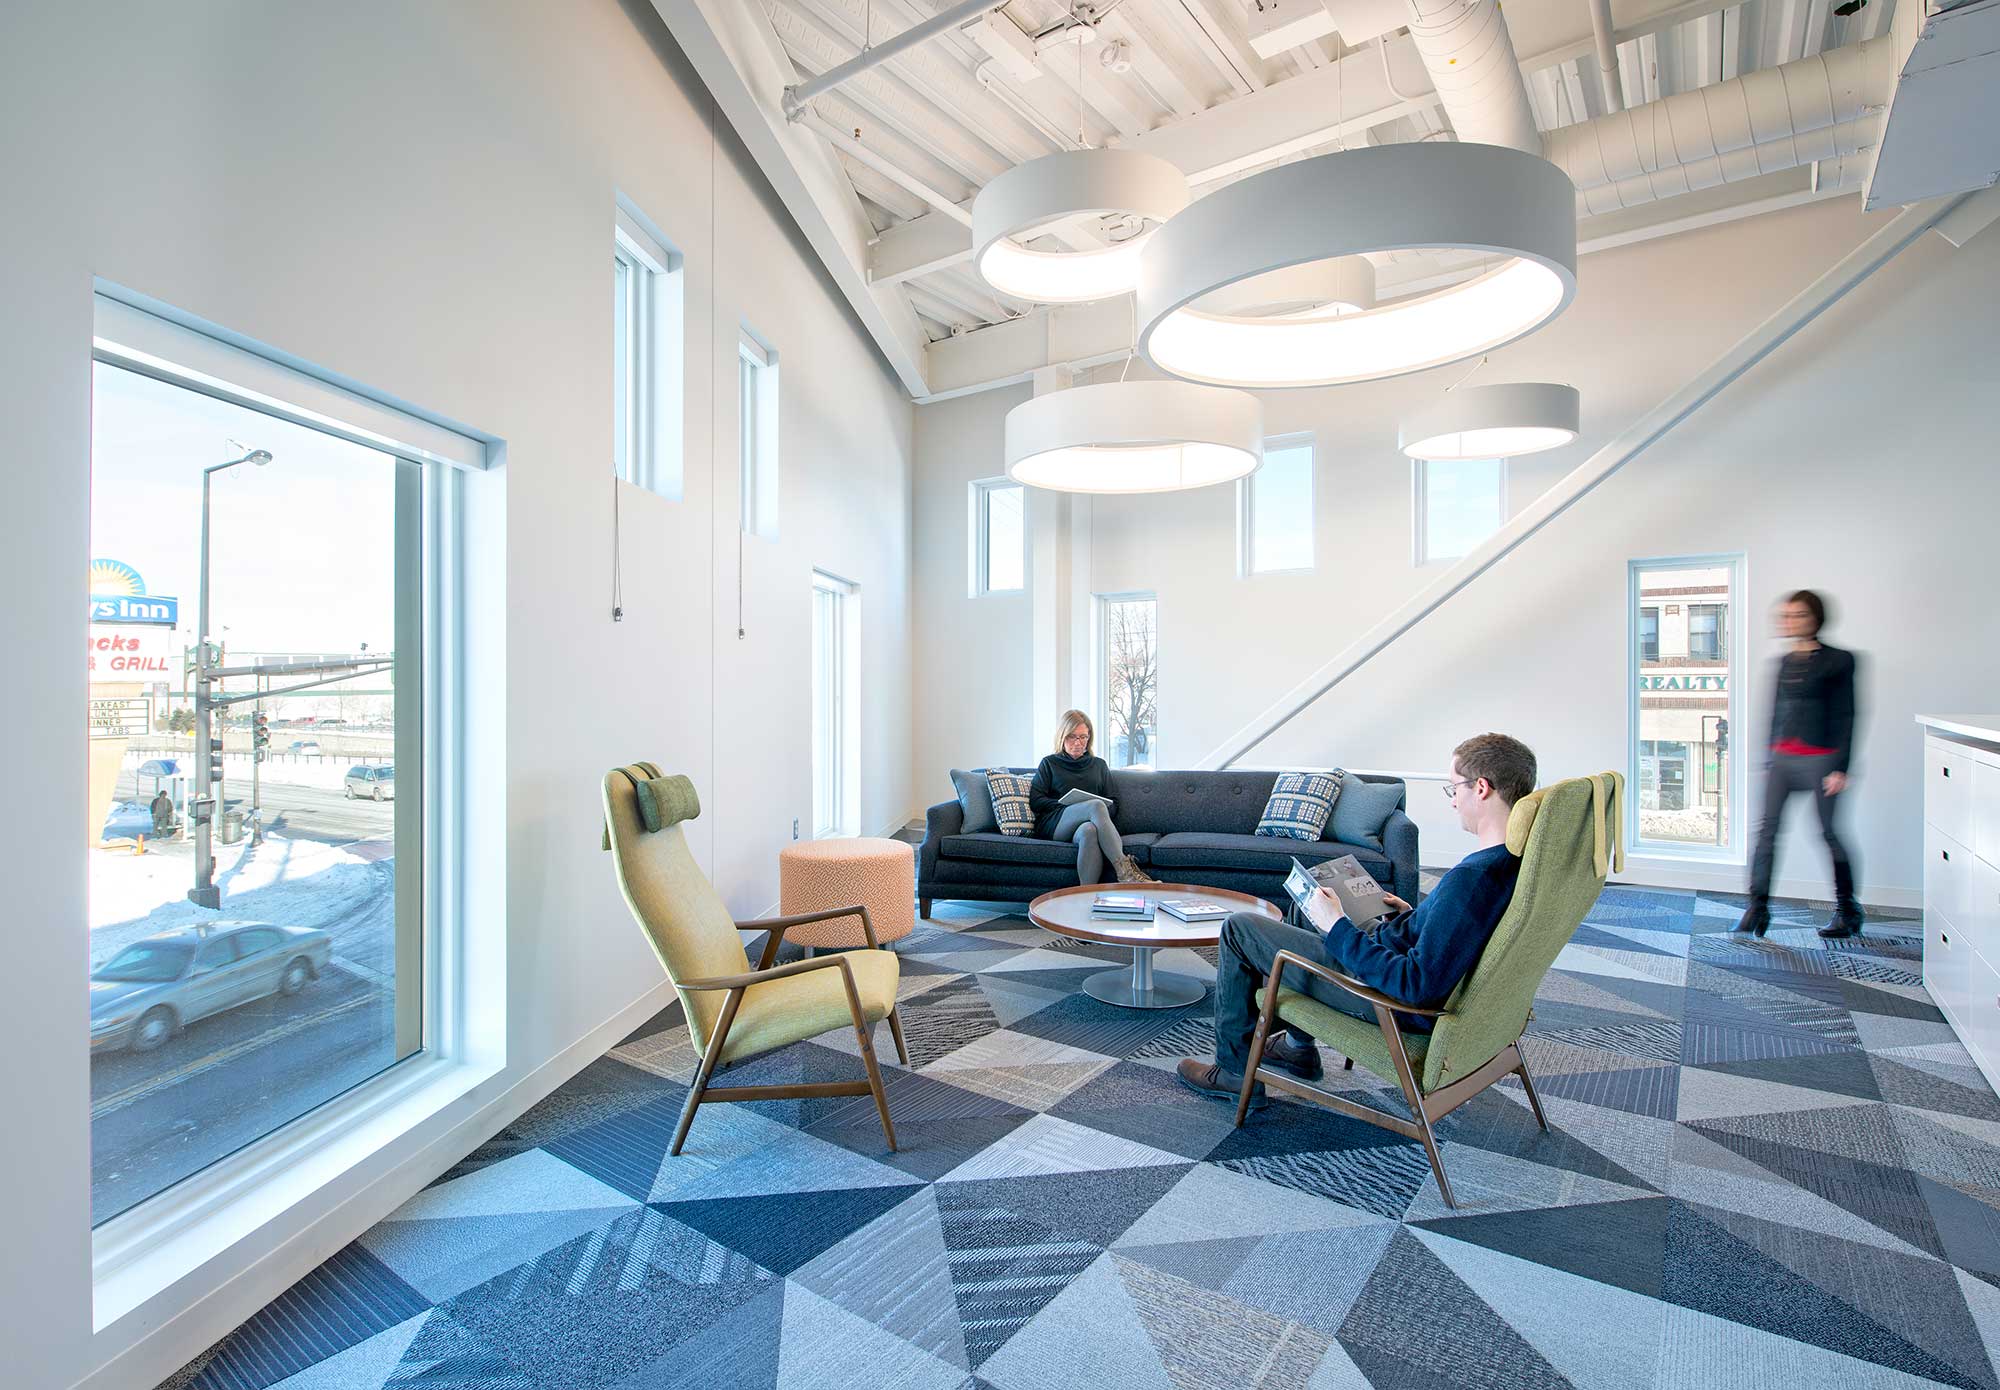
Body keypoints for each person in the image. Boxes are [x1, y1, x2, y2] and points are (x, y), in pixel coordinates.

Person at [1177, 733, 1533, 1108]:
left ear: (1481, 788)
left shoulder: (1471, 880)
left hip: (1388, 1000)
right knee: (1312, 900)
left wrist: (1338, 927)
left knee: (1239, 929)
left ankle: (1232, 1071)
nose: (1453, 800)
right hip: (1398, 957)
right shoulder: (1508, 864)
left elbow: (1415, 985)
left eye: (1454, 788)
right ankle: (1299, 1048)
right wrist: (1414, 918)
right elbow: (1457, 938)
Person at [1736, 589, 1862, 940]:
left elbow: (1847, 714)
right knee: (1766, 832)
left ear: (1816, 618)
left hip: (1822, 759)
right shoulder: (1782, 663)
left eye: (1800, 615)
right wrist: (1766, 759)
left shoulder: (1840, 660)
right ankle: (1757, 907)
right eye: (1787, 616)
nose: (1791, 622)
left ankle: (1848, 909)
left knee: (1829, 833)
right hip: (1782, 759)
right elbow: (1775, 714)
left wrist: (1842, 767)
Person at [1030, 710, 1151, 885]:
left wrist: (1094, 812)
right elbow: (1036, 800)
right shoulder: (1049, 763)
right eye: (1072, 737)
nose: (1078, 743)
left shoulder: (1099, 765)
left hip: (1087, 825)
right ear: (1062, 736)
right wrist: (1066, 806)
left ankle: (1086, 894)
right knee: (1095, 805)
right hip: (1056, 823)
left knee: (1090, 831)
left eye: (1083, 737)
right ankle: (1126, 874)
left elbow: (1114, 803)